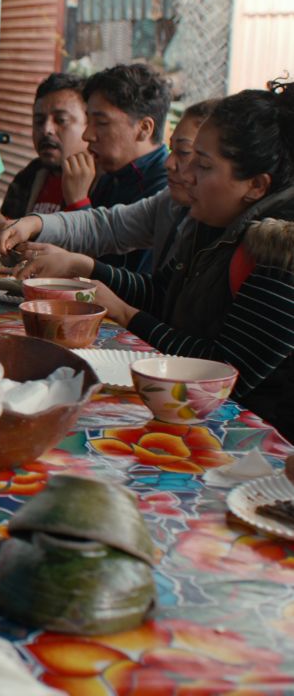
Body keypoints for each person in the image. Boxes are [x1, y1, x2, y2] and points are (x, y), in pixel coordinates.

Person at [62, 84, 293, 436]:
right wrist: (86, 268)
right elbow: (161, 294)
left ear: (256, 185)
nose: (186, 175)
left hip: (258, 448)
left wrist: (122, 312)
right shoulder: (213, 223)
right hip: (191, 420)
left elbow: (219, 371)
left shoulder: (281, 252)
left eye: (203, 164)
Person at [0, 99, 219, 276]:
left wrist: (80, 264)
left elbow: (145, 290)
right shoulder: (168, 200)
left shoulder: (162, 184)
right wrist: (33, 223)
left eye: (100, 122)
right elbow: (106, 225)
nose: (88, 135)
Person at [74, 62, 172, 271]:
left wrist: (78, 202)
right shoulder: (111, 175)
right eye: (88, 121)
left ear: (144, 128)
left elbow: (124, 281)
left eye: (101, 123)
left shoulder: (167, 188)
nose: (87, 135)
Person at [0, 72, 89, 230]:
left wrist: (78, 204)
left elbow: (95, 250)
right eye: (39, 121)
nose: (46, 130)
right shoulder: (29, 177)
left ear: (89, 125)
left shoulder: (105, 184)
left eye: (61, 120)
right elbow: (13, 235)